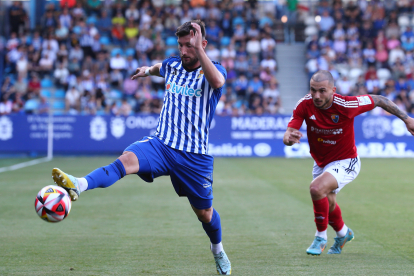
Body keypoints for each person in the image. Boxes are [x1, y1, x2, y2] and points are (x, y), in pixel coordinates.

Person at [50, 20, 231, 275]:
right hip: (161, 145)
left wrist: (198, 49)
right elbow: (161, 67)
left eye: (189, 46)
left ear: (202, 45)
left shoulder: (213, 70)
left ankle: (218, 250)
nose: (183, 51)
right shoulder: (173, 65)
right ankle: (77, 184)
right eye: (180, 45)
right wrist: (146, 70)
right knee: (125, 160)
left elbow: (219, 81)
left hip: (194, 156)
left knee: (205, 214)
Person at [283, 70, 414, 256]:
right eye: (313, 90)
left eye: (322, 90)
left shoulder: (346, 104)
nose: (317, 96)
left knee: (316, 188)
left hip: (346, 160)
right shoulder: (304, 104)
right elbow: (289, 134)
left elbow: (379, 99)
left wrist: (407, 119)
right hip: (321, 162)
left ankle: (320, 237)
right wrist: (288, 138)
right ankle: (344, 233)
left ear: (333, 90)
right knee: (328, 203)